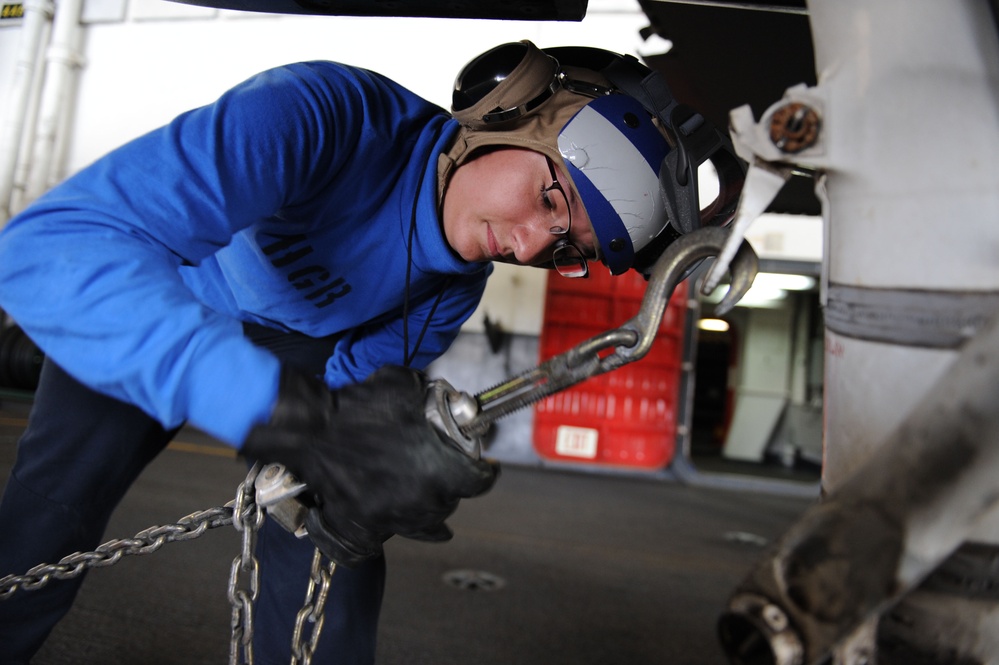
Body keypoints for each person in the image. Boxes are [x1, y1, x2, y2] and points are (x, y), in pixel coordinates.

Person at [0, 39, 741, 663]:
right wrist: (282, 414)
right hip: (163, 298)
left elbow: (353, 394)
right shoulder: (322, 114)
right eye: (551, 200)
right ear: (508, 110)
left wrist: (342, 482)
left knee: (334, 543)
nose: (523, 247)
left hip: (300, 352)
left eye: (562, 249)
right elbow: (43, 250)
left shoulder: (448, 291)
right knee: (48, 515)